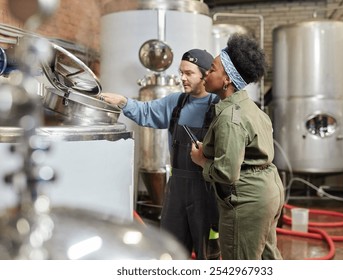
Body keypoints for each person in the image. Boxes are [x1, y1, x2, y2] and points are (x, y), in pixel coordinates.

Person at [100, 49, 220, 260]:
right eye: (181, 72)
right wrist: (122, 102)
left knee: (208, 253)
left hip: (207, 189)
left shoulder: (219, 106)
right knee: (171, 250)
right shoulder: (176, 102)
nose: (182, 78)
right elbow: (146, 112)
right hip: (176, 190)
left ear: (205, 75)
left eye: (189, 73)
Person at [190, 33, 284, 260]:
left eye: (212, 69)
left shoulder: (230, 118)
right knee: (267, 258)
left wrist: (201, 159)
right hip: (269, 191)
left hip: (246, 201)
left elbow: (227, 173)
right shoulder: (252, 109)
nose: (206, 74)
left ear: (227, 80)